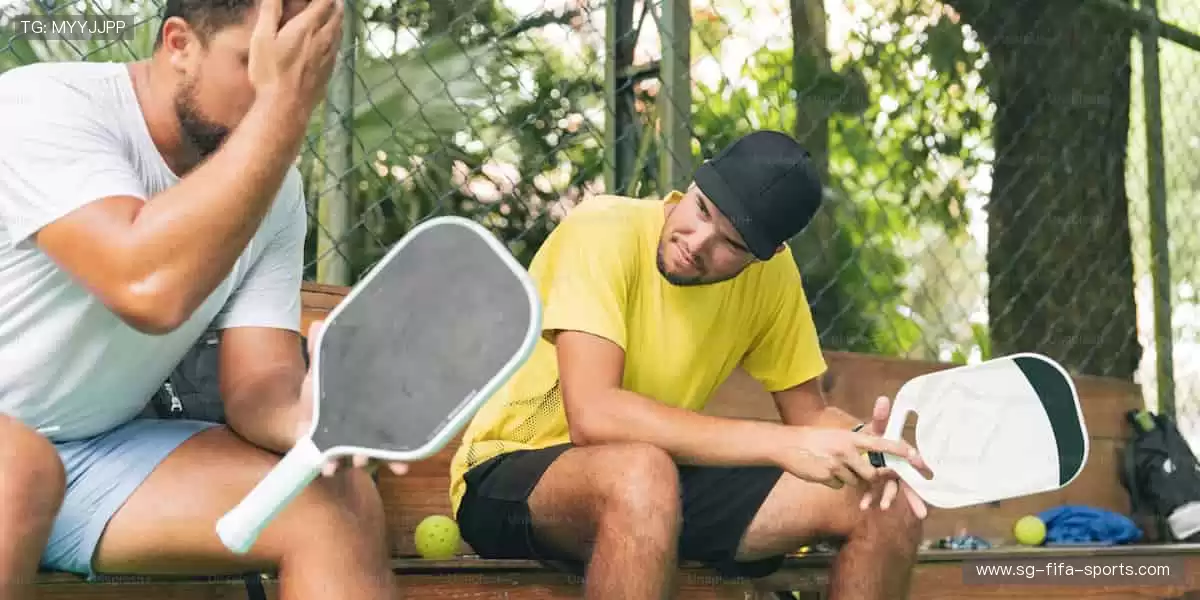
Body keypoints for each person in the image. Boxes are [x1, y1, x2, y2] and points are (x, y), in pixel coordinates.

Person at [0, 0, 405, 597]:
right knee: (18, 470)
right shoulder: (43, 105)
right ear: (180, 43)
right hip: (16, 458)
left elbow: (259, 381)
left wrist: (311, 422)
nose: (281, 87)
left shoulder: (276, 191)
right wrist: (282, 106)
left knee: (334, 502)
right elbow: (145, 287)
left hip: (91, 453)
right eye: (254, 62)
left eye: (302, 68)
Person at [448, 130, 935, 599]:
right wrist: (781, 444)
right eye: (702, 209)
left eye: (731, 244)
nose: (698, 241)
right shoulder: (602, 229)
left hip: (657, 489)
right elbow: (594, 416)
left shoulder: (771, 280)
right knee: (640, 472)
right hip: (508, 475)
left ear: (768, 255)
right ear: (694, 181)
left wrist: (877, 451)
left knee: (885, 503)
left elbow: (810, 417)